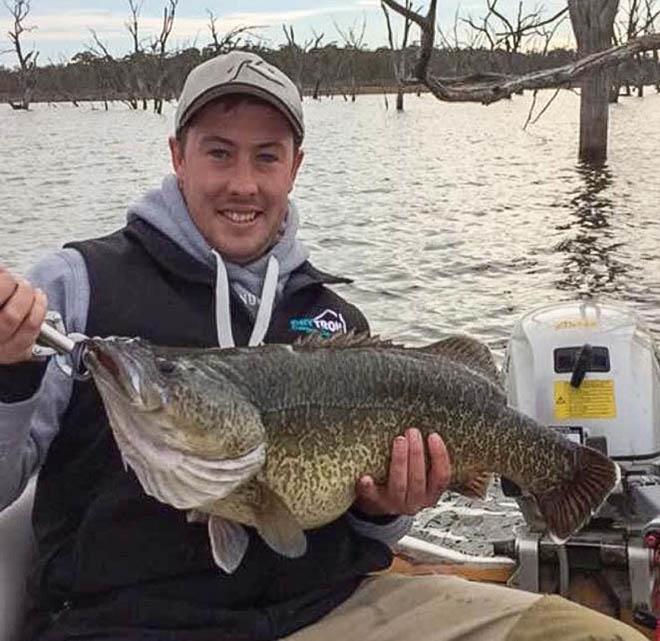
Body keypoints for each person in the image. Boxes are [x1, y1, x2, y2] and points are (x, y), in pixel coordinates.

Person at [0, 51, 647, 641]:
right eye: (219, 153)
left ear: (296, 165)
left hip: (326, 609)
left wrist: (387, 509)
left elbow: (370, 531)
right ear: (178, 154)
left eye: (266, 156)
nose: (243, 184)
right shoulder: (74, 285)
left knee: (587, 634)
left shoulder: (333, 320)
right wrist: (7, 373)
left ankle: (563, 475)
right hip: (124, 620)